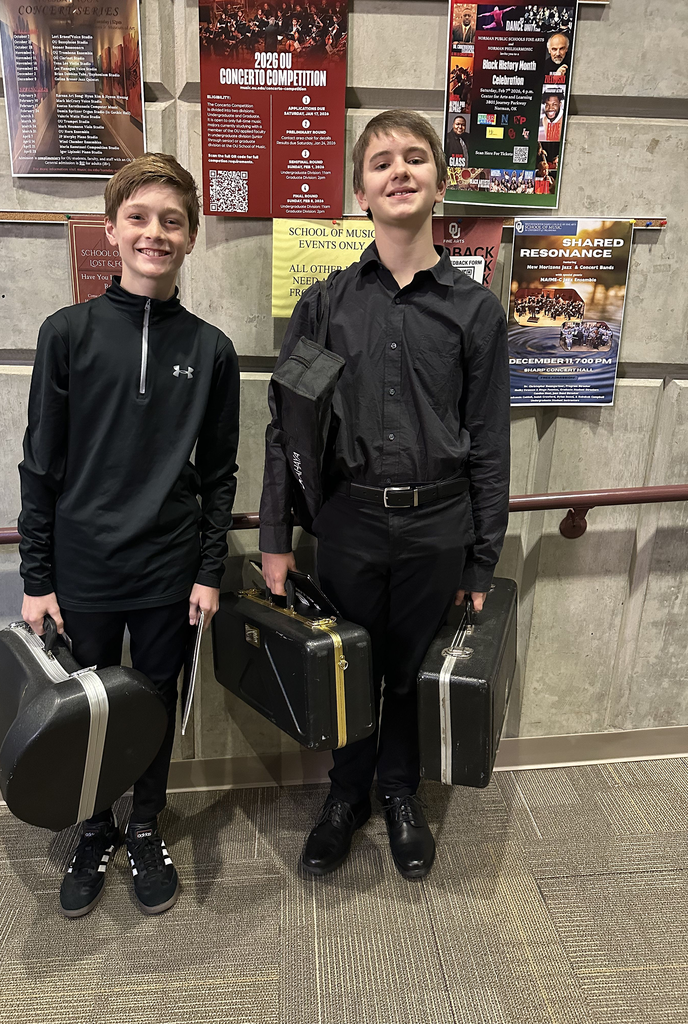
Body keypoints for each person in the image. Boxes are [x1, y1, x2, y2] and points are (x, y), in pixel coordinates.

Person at [259, 109, 510, 881]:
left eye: (413, 158)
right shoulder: (327, 306)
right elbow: (287, 424)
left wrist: (479, 560)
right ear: (360, 192)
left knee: (406, 669)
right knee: (349, 666)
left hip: (438, 523)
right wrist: (274, 536)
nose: (398, 171)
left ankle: (399, 792)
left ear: (440, 182)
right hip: (349, 521)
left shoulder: (475, 313)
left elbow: (490, 441)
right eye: (379, 163)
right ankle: (346, 794)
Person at [18, 153, 240, 918]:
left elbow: (219, 477)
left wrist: (209, 570)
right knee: (86, 707)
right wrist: (37, 576)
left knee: (151, 702)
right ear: (111, 229)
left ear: (191, 237)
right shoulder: (67, 334)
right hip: (82, 568)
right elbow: (40, 465)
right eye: (139, 217)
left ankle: (145, 824)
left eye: (172, 221)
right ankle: (93, 828)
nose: (155, 232)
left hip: (169, 570)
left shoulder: (212, 351)